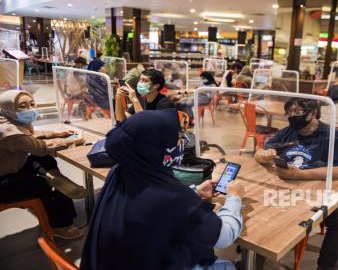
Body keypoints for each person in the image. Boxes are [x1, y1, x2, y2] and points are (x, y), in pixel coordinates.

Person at [80, 109, 244, 269]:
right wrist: (234, 198)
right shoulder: (173, 197)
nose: (182, 143)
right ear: (155, 147)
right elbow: (224, 236)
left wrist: (194, 192)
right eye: (177, 139)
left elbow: (153, 209)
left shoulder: (119, 171)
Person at [254, 98, 338, 270]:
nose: (292, 116)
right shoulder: (286, 132)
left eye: (298, 112)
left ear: (313, 113)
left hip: (316, 190)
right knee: (259, 209)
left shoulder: (332, 136)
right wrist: (264, 154)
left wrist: (301, 175)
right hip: (282, 187)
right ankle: (253, 261)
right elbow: (259, 153)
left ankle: (327, 266)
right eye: (289, 112)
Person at [0, 90, 86, 239]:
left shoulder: (6, 118)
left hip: (9, 168)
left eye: (32, 104)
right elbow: (41, 148)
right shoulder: (9, 131)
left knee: (43, 161)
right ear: (9, 107)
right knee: (44, 185)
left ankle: (53, 176)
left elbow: (29, 137)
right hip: (3, 183)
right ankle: (60, 226)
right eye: (23, 106)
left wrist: (57, 134)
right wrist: (74, 141)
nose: (30, 109)